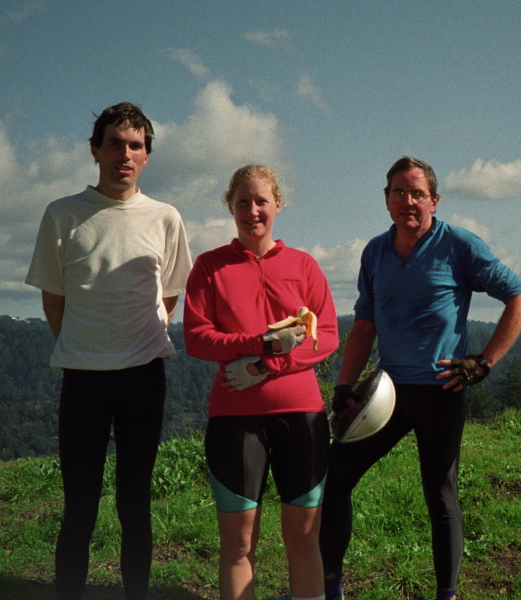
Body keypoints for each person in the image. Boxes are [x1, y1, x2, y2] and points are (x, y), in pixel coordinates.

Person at [319, 156, 521, 600]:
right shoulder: (374, 252)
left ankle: (447, 594)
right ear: (386, 200)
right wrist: (344, 385)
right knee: (335, 477)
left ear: (435, 201)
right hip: (387, 394)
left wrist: (483, 362)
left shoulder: (458, 244)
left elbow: (520, 299)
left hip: (442, 391)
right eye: (399, 192)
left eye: (418, 194)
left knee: (439, 494)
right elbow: (364, 325)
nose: (408, 201)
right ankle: (329, 587)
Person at [25, 102, 191, 600]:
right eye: (115, 143)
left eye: (136, 146)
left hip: (144, 375)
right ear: (95, 150)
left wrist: (140, 336)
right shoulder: (62, 214)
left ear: (147, 156)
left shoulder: (165, 218)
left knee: (134, 504)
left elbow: (170, 294)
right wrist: (86, 344)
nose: (125, 154)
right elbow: (53, 299)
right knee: (79, 506)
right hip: (83, 377)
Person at [183, 165, 340, 600]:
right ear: (230, 207)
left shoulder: (303, 265)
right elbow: (196, 338)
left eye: (261, 201)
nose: (252, 211)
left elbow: (327, 336)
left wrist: (266, 366)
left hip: (302, 417)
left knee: (304, 538)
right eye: (243, 202)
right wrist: (260, 343)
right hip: (235, 420)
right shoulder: (209, 266)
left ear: (277, 205)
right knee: (238, 544)